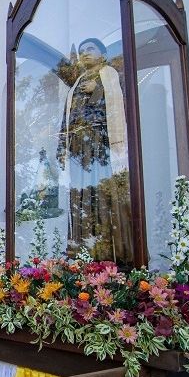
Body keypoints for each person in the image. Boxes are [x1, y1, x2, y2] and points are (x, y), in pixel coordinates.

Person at [57, 37, 131, 264]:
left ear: (103, 54)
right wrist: (62, 148)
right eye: (81, 51)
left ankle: (109, 250)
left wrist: (97, 90)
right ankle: (82, 247)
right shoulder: (77, 82)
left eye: (90, 49)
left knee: (102, 194)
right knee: (80, 197)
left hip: (100, 146)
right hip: (79, 151)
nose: (85, 54)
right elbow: (66, 118)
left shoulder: (108, 74)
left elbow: (118, 105)